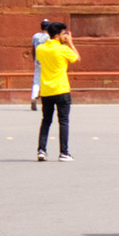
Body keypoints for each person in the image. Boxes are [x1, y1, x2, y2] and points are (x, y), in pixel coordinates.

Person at [33, 20, 78, 161]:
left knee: (46, 121)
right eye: (65, 34)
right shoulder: (63, 49)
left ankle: (41, 150)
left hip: (46, 90)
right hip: (61, 89)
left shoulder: (40, 48)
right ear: (58, 35)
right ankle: (64, 152)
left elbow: (40, 60)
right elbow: (76, 58)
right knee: (63, 121)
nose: (67, 35)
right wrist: (70, 43)